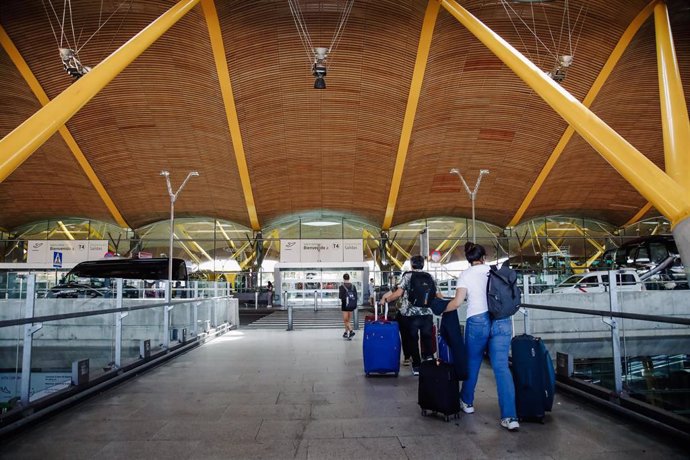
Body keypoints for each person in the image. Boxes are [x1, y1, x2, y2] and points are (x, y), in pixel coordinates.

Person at [443, 242, 519, 432]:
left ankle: (467, 401)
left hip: (477, 320)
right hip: (502, 320)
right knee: (501, 367)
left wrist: (441, 307)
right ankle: (510, 417)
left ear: (469, 259)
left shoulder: (466, 275)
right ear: (484, 257)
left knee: (473, 362)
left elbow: (458, 302)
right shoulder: (496, 271)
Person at [380, 255, 441, 376]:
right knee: (427, 337)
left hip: (410, 314)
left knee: (412, 339)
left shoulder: (408, 276)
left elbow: (398, 293)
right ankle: (429, 362)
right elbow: (439, 295)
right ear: (422, 264)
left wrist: (385, 300)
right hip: (427, 313)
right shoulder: (430, 277)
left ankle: (417, 366)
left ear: (412, 264)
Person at [338, 273, 357, 340]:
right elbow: (356, 296)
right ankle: (346, 333)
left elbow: (340, 297)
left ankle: (351, 331)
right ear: (349, 278)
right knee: (348, 320)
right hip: (351, 304)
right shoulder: (353, 286)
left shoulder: (341, 287)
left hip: (345, 305)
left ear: (343, 278)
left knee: (345, 320)